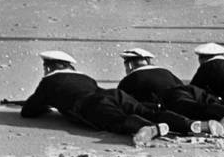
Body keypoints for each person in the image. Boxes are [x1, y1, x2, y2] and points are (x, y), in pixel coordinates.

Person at [17, 51, 172, 146]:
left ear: (48, 67)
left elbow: (28, 111)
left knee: (117, 120)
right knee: (146, 111)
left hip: (90, 104)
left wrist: (46, 105)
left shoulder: (49, 81)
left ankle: (148, 128)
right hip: (112, 94)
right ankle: (186, 124)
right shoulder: (85, 77)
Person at [116, 48, 224, 133]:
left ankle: (203, 125)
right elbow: (180, 84)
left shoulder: (130, 79)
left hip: (171, 98)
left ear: (130, 65)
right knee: (203, 105)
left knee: (192, 110)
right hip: (188, 90)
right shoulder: (165, 71)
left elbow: (124, 100)